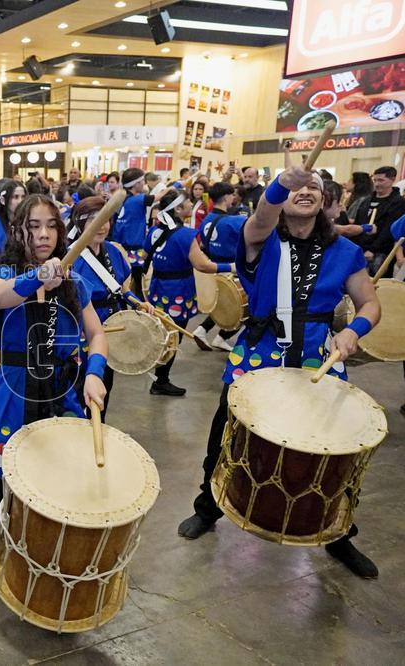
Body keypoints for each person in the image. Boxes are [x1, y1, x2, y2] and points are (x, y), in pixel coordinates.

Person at [177, 151, 382, 579]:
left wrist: (353, 331)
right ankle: (207, 508)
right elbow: (262, 216)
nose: (305, 193)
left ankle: (338, 534)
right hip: (258, 355)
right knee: (225, 435)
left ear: (327, 201)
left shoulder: (344, 251)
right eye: (297, 188)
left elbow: (370, 303)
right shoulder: (260, 238)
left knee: (331, 450)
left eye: (314, 188)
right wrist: (280, 185)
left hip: (316, 358)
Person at [0, 193, 109, 626]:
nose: (43, 234)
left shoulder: (75, 278)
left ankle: (47, 580)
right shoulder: (5, 273)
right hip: (14, 395)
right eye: (33, 226)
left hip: (65, 394)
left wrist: (95, 370)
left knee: (62, 489)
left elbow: (96, 334)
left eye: (51, 226)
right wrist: (38, 277)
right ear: (19, 232)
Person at [70, 196, 155, 419]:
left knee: (104, 383)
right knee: (79, 388)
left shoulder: (113, 251)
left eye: (106, 219)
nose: (103, 226)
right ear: (80, 225)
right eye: (94, 221)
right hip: (83, 330)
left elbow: (119, 287)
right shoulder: (70, 257)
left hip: (111, 327)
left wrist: (137, 302)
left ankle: (99, 425)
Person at [144, 190, 231, 396]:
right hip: (178, 291)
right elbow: (203, 265)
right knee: (173, 336)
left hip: (158, 288)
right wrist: (233, 267)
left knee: (163, 334)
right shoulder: (185, 235)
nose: (192, 203)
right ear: (178, 209)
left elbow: (147, 256)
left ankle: (159, 377)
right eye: (188, 202)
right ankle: (161, 381)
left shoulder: (154, 231)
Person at [193, 182, 246, 352]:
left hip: (214, 268)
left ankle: (203, 330)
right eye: (232, 195)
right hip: (233, 269)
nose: (234, 198)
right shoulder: (234, 221)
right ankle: (221, 336)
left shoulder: (207, 219)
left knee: (221, 304)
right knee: (243, 309)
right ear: (226, 197)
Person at [351, 167, 405, 274]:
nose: (376, 184)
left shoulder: (398, 203)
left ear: (392, 180)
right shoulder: (366, 201)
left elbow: (389, 229)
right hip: (360, 249)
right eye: (374, 180)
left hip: (381, 252)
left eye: (381, 180)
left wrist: (373, 249)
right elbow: (357, 224)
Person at [111, 167, 156, 294]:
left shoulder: (121, 198)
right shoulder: (137, 199)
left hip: (120, 246)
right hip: (133, 248)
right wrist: (176, 185)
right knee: (136, 281)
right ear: (136, 184)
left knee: (124, 280)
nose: (144, 184)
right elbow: (158, 197)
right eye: (142, 181)